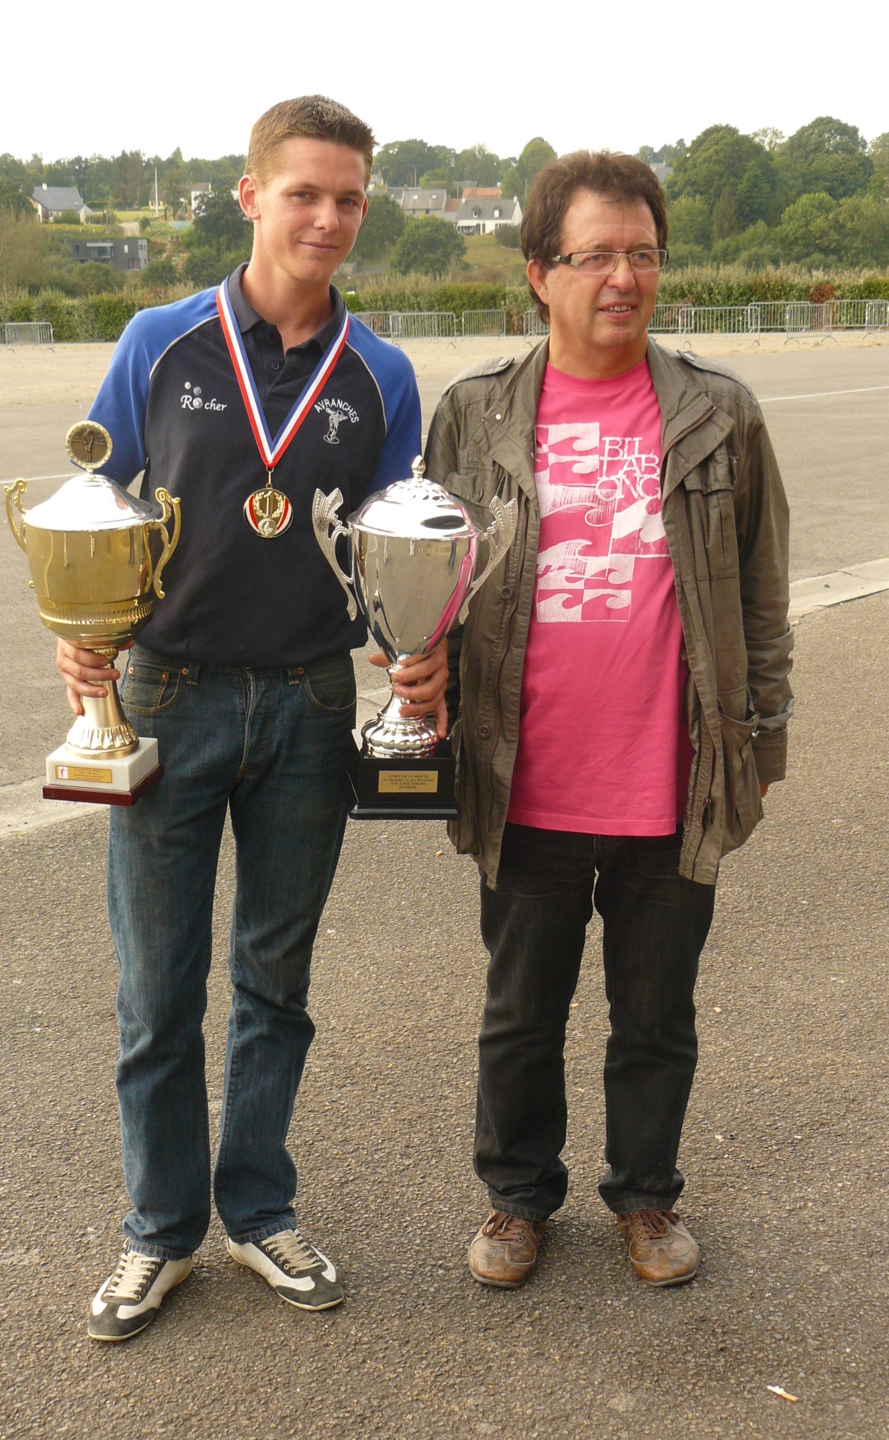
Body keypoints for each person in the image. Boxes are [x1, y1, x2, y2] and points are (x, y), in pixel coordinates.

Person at [57, 95, 448, 1341]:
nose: (328, 218)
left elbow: (404, 553)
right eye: (305, 194)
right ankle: (159, 1233)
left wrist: (416, 659)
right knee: (156, 993)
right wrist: (83, 628)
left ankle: (259, 1209)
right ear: (250, 196)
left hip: (308, 700)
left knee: (274, 984)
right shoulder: (160, 339)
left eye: (348, 198)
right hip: (165, 693)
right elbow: (96, 503)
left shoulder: (381, 372)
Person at [424, 151, 792, 1290]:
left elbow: (762, 591)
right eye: (595, 256)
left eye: (642, 254)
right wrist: (415, 676)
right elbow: (422, 579)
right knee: (520, 1013)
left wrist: (761, 744)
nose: (623, 278)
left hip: (669, 776)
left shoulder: (718, 413)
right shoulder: (476, 412)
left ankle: (645, 1196)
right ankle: (516, 1200)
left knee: (657, 1014)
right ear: (540, 272)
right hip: (522, 771)